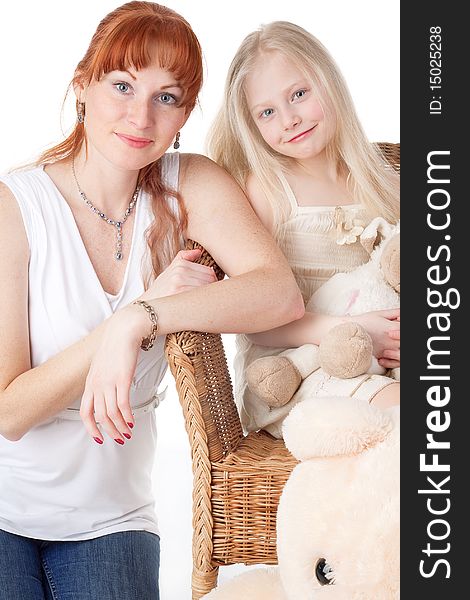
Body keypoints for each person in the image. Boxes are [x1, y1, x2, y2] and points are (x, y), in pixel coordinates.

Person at [0, 4, 303, 599]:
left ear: (185, 114)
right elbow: (10, 412)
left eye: (167, 97)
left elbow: (279, 293)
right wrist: (119, 326)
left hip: (114, 517)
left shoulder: (188, 183)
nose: (140, 115)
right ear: (81, 87)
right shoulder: (18, 208)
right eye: (122, 85)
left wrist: (142, 318)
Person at [207, 21, 400, 439]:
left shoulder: (382, 181)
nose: (290, 120)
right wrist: (345, 331)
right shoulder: (268, 193)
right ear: (252, 125)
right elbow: (253, 318)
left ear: (328, 83)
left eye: (299, 94)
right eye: (268, 112)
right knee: (401, 414)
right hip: (292, 374)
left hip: (380, 358)